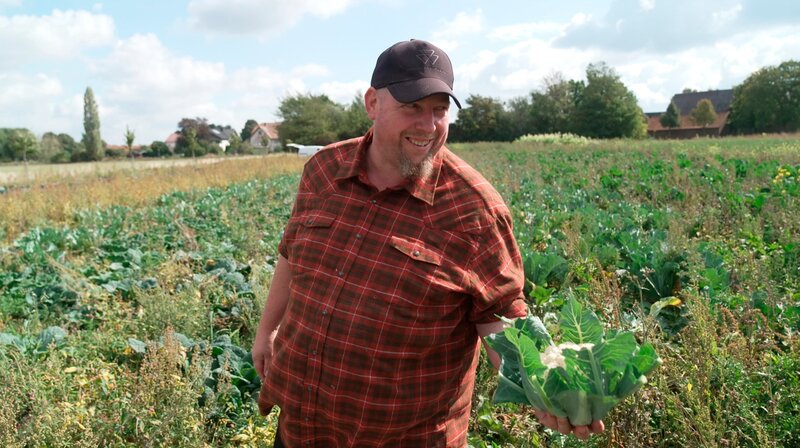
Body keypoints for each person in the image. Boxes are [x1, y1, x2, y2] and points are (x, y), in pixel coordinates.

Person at [251, 38, 603, 447]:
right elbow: (291, 254)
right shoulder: (324, 169)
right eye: (412, 107)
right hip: (303, 428)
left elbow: (502, 314)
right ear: (372, 103)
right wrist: (266, 330)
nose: (428, 125)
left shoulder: (474, 209)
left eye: (439, 110)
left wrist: (547, 388)